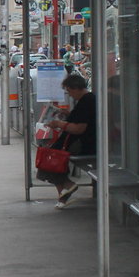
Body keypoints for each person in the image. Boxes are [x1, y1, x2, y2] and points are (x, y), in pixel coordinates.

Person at [43, 73, 95, 208]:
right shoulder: (87, 100)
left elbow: (79, 128)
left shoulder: (86, 101)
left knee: (49, 159)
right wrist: (68, 115)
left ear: (77, 88)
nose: (70, 95)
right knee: (50, 158)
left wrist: (59, 124)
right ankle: (63, 193)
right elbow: (80, 119)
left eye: (70, 91)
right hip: (79, 142)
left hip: (81, 144)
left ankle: (67, 187)